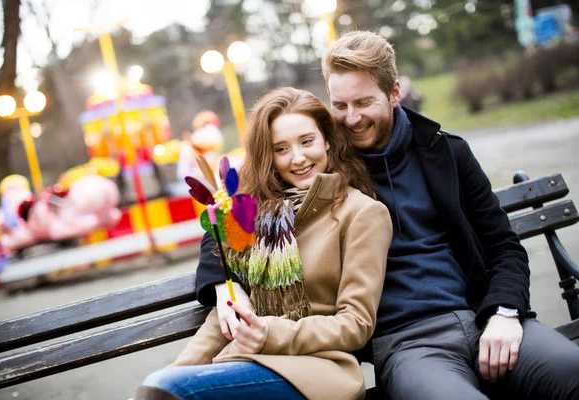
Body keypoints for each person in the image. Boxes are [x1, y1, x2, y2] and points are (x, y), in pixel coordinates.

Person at [195, 31, 579, 400]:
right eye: (339, 105)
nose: (350, 118)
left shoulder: (446, 153)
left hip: (482, 318)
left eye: (363, 103)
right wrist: (222, 287)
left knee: (571, 369)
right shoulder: (322, 159)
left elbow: (504, 247)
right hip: (407, 344)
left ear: (395, 93)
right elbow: (234, 211)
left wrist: (505, 313)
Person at [134, 87, 392, 400]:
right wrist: (172, 375)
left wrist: (270, 332)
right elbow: (231, 313)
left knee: (176, 389)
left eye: (306, 141)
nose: (297, 158)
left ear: (327, 139)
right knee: (163, 386)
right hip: (247, 361)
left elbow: (356, 324)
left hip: (317, 372)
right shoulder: (260, 213)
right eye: (280, 149)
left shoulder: (362, 213)